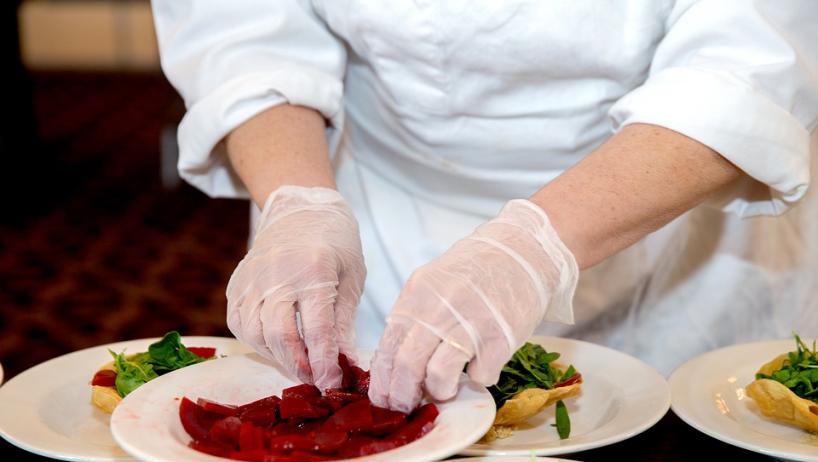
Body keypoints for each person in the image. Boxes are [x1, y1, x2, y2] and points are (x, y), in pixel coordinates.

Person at [152, 1, 818, 412]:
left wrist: (531, 247)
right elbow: (245, 26)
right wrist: (298, 201)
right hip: (382, 215)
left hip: (669, 214)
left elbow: (747, 67)